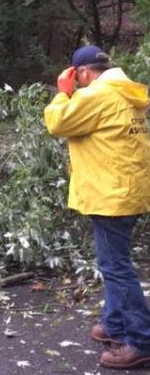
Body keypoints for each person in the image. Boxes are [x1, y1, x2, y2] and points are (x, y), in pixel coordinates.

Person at [44, 44, 150, 370]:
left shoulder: (96, 95)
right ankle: (115, 324)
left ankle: (141, 340)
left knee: (116, 268)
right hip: (127, 189)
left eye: (77, 78)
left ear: (83, 73)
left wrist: (63, 92)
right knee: (112, 263)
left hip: (110, 195)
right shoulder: (125, 91)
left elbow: (57, 123)